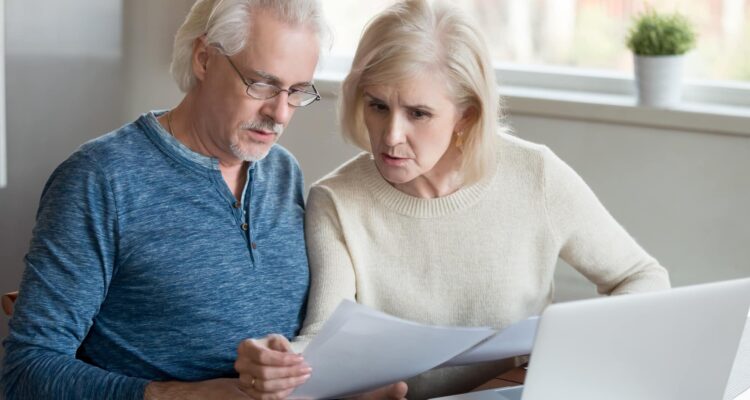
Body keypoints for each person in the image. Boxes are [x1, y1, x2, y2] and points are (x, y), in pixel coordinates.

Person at [233, 0, 672, 398]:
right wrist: (283, 361)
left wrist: (563, 359)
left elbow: (641, 277)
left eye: (419, 113)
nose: (391, 136)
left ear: (467, 114)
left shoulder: (535, 175)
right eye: (378, 105)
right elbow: (324, 333)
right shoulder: (337, 201)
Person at [1, 1, 328, 399]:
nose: (280, 113)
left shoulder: (283, 171)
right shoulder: (100, 179)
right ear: (204, 59)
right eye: (261, 84)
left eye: (296, 91)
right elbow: (25, 371)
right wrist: (175, 395)